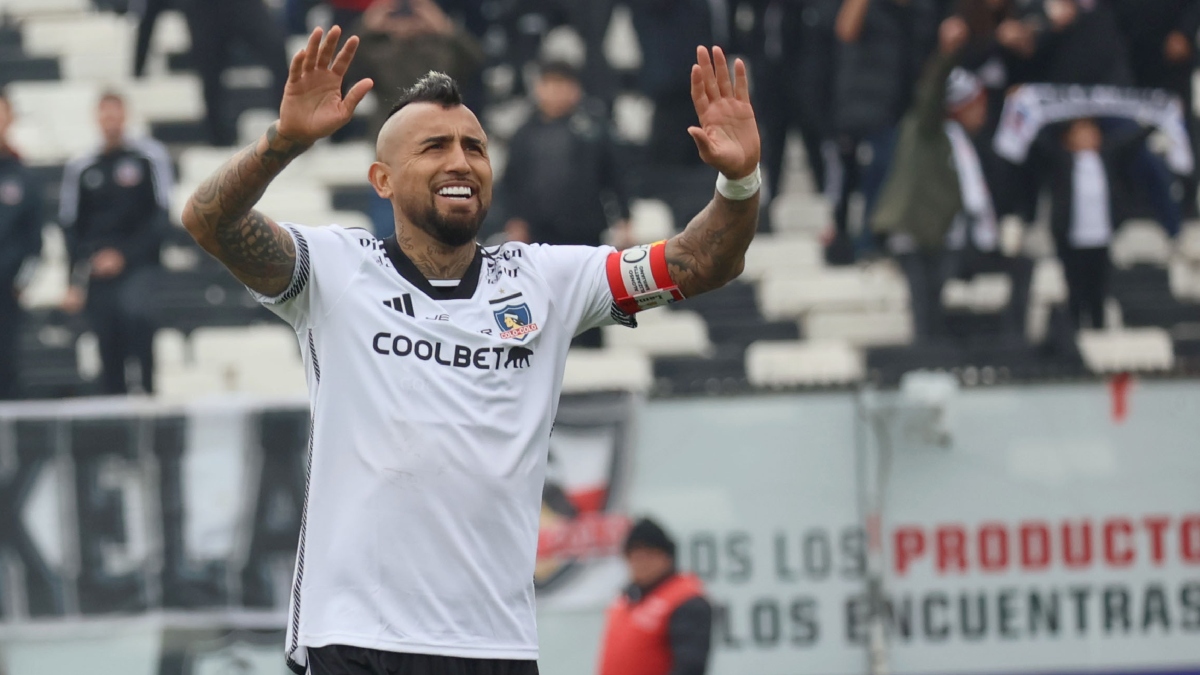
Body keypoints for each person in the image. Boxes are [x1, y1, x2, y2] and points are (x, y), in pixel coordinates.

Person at [180, 25, 761, 675]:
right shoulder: (336, 271)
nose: (461, 161)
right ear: (382, 178)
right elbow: (210, 222)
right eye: (435, 146)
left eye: (474, 147)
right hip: (355, 637)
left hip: (495, 648)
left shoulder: (546, 280)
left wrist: (738, 184)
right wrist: (282, 142)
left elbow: (703, 261)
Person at [872, 17, 1031, 342]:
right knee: (927, 300)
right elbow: (931, 92)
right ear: (959, 106)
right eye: (977, 104)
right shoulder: (927, 131)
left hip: (955, 238)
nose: (983, 112)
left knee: (1021, 265)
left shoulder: (969, 143)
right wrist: (946, 54)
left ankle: (1014, 341)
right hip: (921, 235)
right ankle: (928, 353)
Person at [60, 92, 173, 395]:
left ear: (125, 116)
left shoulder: (148, 158)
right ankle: (115, 425)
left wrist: (124, 256)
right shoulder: (82, 167)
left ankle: (148, 402)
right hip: (97, 272)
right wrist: (74, 278)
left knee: (138, 321)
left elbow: (161, 218)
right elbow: (71, 226)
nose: (110, 121)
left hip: (140, 267)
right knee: (107, 344)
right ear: (96, 118)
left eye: (115, 113)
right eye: (104, 114)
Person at [348, 0, 484, 234]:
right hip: (391, 145)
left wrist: (445, 28)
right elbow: (342, 69)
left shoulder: (440, 49)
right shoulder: (376, 50)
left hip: (438, 142)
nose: (406, 22)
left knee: (440, 213)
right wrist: (366, 26)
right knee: (386, 214)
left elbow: (477, 62)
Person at [1037, 118, 1152, 330]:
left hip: (1101, 236)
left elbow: (1131, 141)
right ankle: (1075, 336)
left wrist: (1154, 118)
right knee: (1075, 290)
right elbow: (1041, 141)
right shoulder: (1062, 161)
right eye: (1080, 132)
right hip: (1071, 238)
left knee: (1098, 291)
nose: (1087, 137)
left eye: (1091, 132)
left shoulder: (1107, 156)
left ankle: (1098, 335)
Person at [502, 61, 631, 248]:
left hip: (585, 230)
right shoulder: (524, 134)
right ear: (539, 89)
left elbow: (616, 175)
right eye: (551, 84)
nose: (556, 92)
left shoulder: (594, 129)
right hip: (537, 232)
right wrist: (514, 220)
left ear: (576, 90)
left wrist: (624, 219)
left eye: (563, 85)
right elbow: (511, 181)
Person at [596, 518, 712, 675]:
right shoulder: (628, 598)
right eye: (634, 557)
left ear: (667, 558)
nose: (641, 564)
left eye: (648, 555)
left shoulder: (685, 601)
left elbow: (690, 666)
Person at [182, 0, 291, 145]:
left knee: (277, 53)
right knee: (209, 75)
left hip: (241, 4)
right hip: (204, 8)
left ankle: (290, 124)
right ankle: (218, 139)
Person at [0, 94, 44, 400]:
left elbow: (35, 241)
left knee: (6, 365)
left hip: (5, 291)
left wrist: (19, 283)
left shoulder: (23, 177)